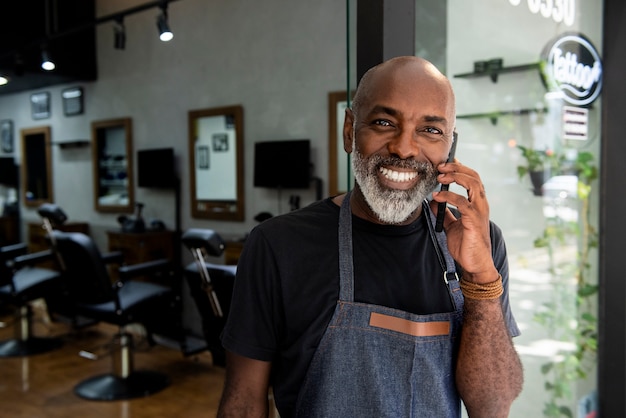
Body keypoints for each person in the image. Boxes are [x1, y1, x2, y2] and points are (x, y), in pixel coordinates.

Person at [217, 56, 523, 418]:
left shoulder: (482, 244)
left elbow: (492, 406)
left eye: (430, 130)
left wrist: (480, 279)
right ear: (350, 130)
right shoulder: (278, 245)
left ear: (449, 147)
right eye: (383, 122)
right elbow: (243, 403)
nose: (404, 148)